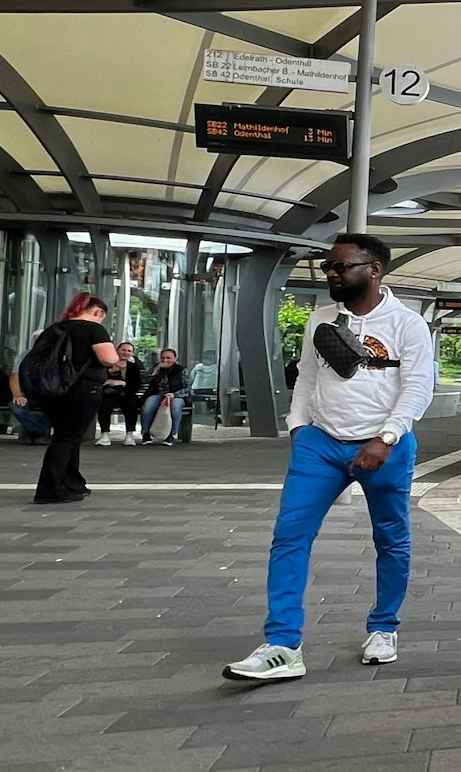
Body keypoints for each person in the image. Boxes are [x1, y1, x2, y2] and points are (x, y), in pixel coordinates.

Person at [224, 234, 434, 682]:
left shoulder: (407, 323)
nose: (332, 274)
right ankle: (283, 645)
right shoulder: (321, 318)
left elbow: (418, 387)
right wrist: (299, 427)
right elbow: (306, 375)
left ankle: (383, 628)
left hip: (384, 446)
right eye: (329, 268)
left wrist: (387, 437)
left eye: (341, 267)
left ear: (374, 269)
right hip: (320, 444)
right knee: (289, 537)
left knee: (391, 540)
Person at [26, 294, 120, 504]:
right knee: (66, 438)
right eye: (101, 317)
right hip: (81, 390)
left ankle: (71, 483)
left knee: (68, 436)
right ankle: (49, 489)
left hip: (52, 391)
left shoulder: (55, 329)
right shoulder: (94, 329)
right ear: (98, 312)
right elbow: (109, 358)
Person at [139, 347, 190, 445]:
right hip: (158, 394)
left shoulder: (181, 370)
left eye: (168, 358)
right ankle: (145, 433)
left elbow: (187, 388)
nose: (165, 360)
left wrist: (174, 394)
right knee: (148, 405)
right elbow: (145, 381)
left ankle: (171, 434)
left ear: (175, 359)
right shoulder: (156, 368)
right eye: (163, 358)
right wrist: (155, 371)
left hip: (177, 395)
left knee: (175, 406)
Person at [94, 341, 141, 446]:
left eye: (129, 351)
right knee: (105, 405)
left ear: (132, 353)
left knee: (131, 405)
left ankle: (129, 435)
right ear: (117, 350)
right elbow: (100, 381)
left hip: (126, 394)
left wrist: (122, 383)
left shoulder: (133, 367)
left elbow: (136, 386)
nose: (126, 353)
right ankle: (105, 434)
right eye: (123, 350)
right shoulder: (107, 364)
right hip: (108, 394)